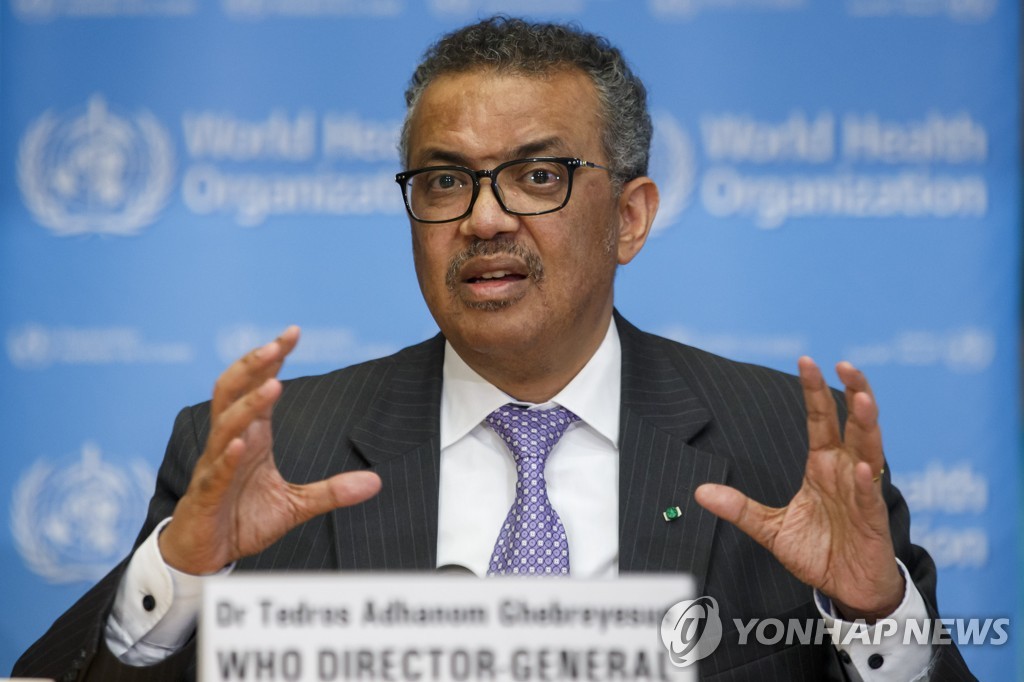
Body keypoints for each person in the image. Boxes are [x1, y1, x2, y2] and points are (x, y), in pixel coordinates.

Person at [14, 16, 974, 682]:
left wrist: (873, 616)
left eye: (537, 176)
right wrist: (183, 576)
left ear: (630, 217)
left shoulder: (786, 446)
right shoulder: (276, 452)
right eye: (444, 181)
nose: (482, 220)